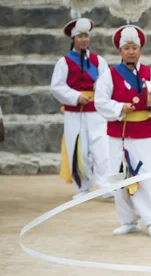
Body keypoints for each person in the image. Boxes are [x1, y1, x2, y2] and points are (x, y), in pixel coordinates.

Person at [95, 25, 151, 238]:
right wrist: (120, 107)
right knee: (119, 176)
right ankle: (128, 220)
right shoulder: (109, 76)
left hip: (142, 132)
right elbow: (100, 101)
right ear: (120, 51)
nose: (131, 51)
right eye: (127, 47)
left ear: (140, 50)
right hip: (117, 133)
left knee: (145, 175)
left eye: (134, 47)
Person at [50, 18, 111, 199]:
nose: (84, 40)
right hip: (74, 113)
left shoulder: (99, 61)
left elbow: (107, 83)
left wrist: (99, 88)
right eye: (80, 36)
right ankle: (82, 188)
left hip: (96, 112)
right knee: (78, 149)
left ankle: (105, 185)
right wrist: (76, 96)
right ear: (73, 39)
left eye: (86, 36)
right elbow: (57, 87)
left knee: (102, 149)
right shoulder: (64, 62)